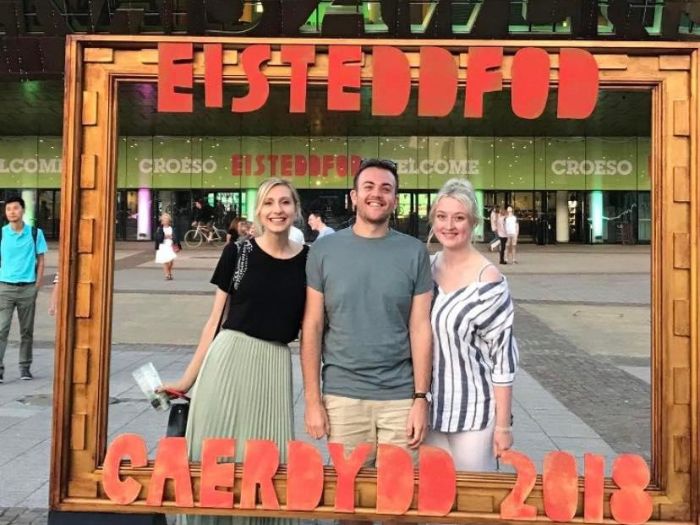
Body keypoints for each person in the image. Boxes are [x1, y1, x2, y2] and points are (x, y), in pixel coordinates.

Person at [161, 178, 307, 525]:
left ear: (296, 210)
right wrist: (186, 379)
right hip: (227, 360)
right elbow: (215, 320)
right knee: (215, 461)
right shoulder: (238, 252)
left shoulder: (310, 261)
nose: (277, 210)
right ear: (258, 210)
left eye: (285, 202)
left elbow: (315, 326)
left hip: (273, 366)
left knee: (266, 465)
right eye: (269, 203)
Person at [302, 158, 433, 475]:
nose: (377, 194)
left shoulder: (414, 252)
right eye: (369, 187)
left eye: (386, 188)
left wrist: (420, 398)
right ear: (354, 196)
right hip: (342, 396)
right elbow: (313, 326)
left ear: (395, 199)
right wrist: (312, 401)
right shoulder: (324, 251)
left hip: (400, 397)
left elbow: (420, 328)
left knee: (401, 507)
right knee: (351, 508)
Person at [426, 179, 519, 472]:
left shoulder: (488, 280)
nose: (449, 225)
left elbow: (502, 360)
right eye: (442, 217)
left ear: (474, 223)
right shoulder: (424, 268)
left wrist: (503, 426)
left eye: (459, 217)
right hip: (427, 409)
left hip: (473, 413)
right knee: (431, 504)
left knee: (472, 502)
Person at [0, 196, 48, 382]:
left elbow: (41, 260)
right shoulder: (2, 233)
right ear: (6, 213)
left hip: (28, 288)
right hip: (5, 288)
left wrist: (37, 285)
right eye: (8, 209)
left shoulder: (35, 233)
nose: (12, 211)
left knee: (26, 330)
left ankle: (25, 367)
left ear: (23, 210)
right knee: (2, 329)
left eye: (16, 208)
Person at [154, 213, 181, 280]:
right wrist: (165, 236)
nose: (165, 221)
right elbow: (157, 237)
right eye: (164, 219)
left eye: (167, 219)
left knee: (171, 260)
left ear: (169, 220)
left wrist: (174, 240)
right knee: (165, 260)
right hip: (163, 246)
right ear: (162, 221)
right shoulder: (159, 228)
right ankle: (167, 274)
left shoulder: (172, 228)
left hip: (171, 245)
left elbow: (176, 237)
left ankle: (169, 272)